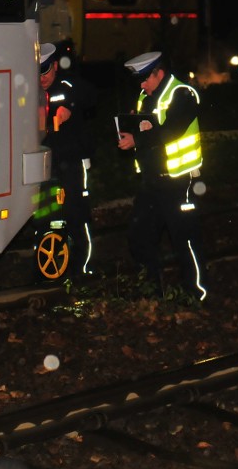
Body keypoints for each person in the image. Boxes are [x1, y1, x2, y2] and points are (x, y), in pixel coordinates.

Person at [117, 51, 208, 301]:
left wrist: (138, 138)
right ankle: (151, 291)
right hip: (151, 182)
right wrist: (129, 136)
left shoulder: (183, 94)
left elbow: (172, 131)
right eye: (139, 81)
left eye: (146, 79)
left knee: (185, 240)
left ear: (160, 73)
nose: (142, 85)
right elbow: (144, 131)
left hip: (179, 181)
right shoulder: (144, 97)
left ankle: (196, 294)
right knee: (139, 236)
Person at [39, 42, 97, 276]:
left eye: (44, 71)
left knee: (76, 213)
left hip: (73, 161)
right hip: (46, 164)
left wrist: (70, 106)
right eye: (37, 72)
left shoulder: (67, 84)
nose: (41, 78)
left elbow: (90, 95)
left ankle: (83, 267)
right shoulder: (32, 91)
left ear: (54, 66)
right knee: (47, 215)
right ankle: (52, 266)